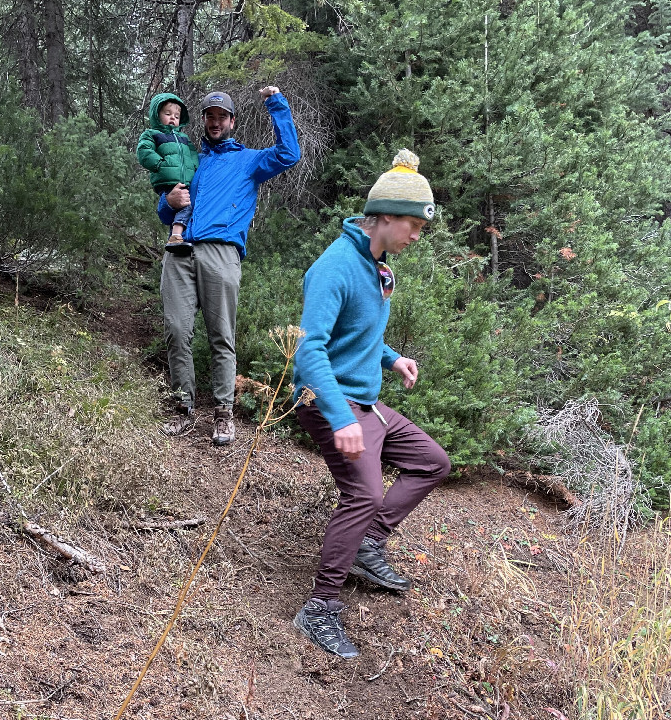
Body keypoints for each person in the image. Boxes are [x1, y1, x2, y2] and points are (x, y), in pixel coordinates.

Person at [291, 150, 451, 659]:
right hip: (328, 400)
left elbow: (355, 337)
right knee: (361, 494)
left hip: (367, 402)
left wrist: (391, 358)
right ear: (384, 216)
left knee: (432, 462)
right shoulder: (335, 267)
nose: (416, 236)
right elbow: (309, 348)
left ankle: (367, 543)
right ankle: (318, 608)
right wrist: (340, 417)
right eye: (413, 225)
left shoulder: (378, 267)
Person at [158, 87, 300, 446]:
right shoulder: (190, 160)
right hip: (179, 253)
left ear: (232, 121)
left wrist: (276, 103)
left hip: (221, 253)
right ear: (203, 120)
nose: (216, 121)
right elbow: (168, 210)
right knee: (177, 331)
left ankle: (223, 414)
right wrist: (168, 200)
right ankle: (182, 408)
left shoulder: (249, 161)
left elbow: (289, 153)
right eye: (210, 115)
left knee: (221, 337)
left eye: (222, 116)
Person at [136, 93, 200, 254]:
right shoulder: (152, 134)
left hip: (183, 179)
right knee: (186, 206)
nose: (172, 118)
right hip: (166, 179)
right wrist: (159, 164)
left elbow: (192, 154)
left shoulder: (184, 138)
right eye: (168, 114)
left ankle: (178, 236)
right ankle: (176, 236)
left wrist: (194, 167)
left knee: (185, 206)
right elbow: (144, 151)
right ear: (157, 115)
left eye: (176, 116)